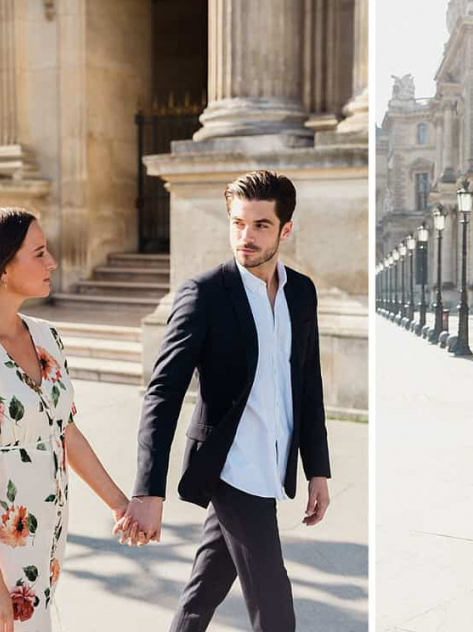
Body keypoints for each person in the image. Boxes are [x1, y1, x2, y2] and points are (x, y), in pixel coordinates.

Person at [115, 170, 331, 632]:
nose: (246, 237)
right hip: (231, 467)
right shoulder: (205, 294)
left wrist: (318, 469)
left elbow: (308, 386)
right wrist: (148, 490)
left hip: (273, 465)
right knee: (276, 610)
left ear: (285, 229)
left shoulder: (302, 293)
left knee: (202, 593)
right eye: (237, 223)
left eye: (260, 225)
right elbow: (163, 392)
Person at [0, 207, 131, 631]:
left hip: (46, 537)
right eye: (39, 253)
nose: (52, 263)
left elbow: (65, 430)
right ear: (3, 267)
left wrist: (120, 504)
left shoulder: (47, 335)